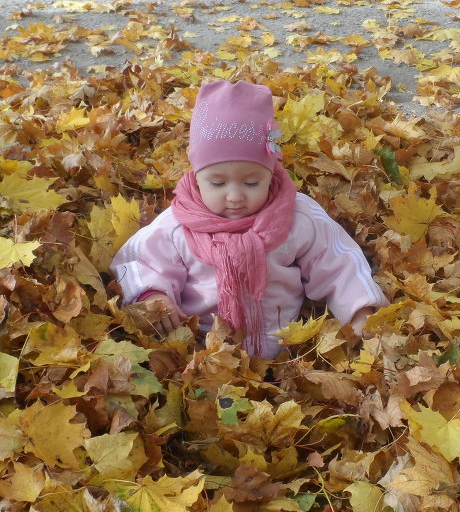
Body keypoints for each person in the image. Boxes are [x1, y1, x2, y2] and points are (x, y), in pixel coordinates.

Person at [111, 79, 387, 358]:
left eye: (252, 182)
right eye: (217, 183)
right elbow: (140, 260)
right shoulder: (178, 225)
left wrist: (360, 310)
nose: (234, 196)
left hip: (284, 348)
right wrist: (154, 297)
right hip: (203, 350)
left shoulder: (295, 216)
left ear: (271, 173)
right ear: (196, 177)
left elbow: (338, 261)